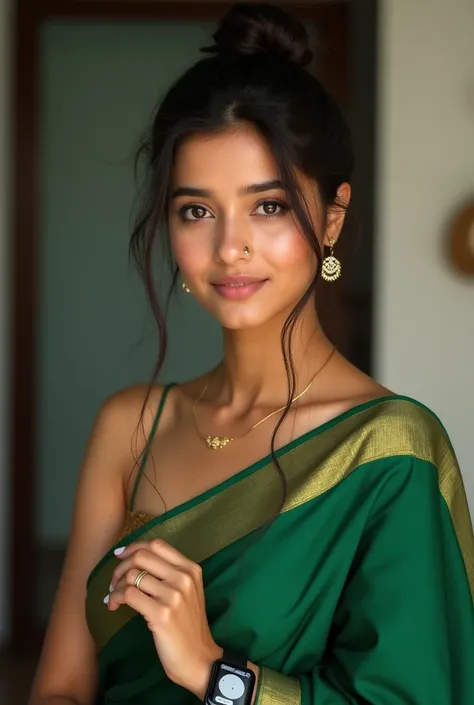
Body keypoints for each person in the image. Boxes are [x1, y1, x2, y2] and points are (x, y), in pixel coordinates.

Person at [29, 4, 474, 705]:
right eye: (196, 210)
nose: (229, 245)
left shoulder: (391, 453)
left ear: (331, 217)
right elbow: (59, 686)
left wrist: (214, 671)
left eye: (267, 206)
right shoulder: (130, 426)